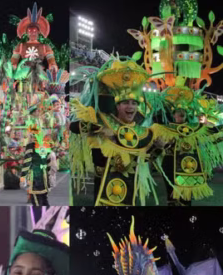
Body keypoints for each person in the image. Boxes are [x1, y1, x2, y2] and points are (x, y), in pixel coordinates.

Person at [70, 58, 169, 206]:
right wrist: (101, 130)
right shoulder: (103, 120)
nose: (130, 107)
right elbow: (73, 127)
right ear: (117, 106)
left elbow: (145, 159)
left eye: (134, 103)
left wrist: (157, 147)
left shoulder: (142, 132)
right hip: (103, 186)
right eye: (125, 103)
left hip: (129, 188)